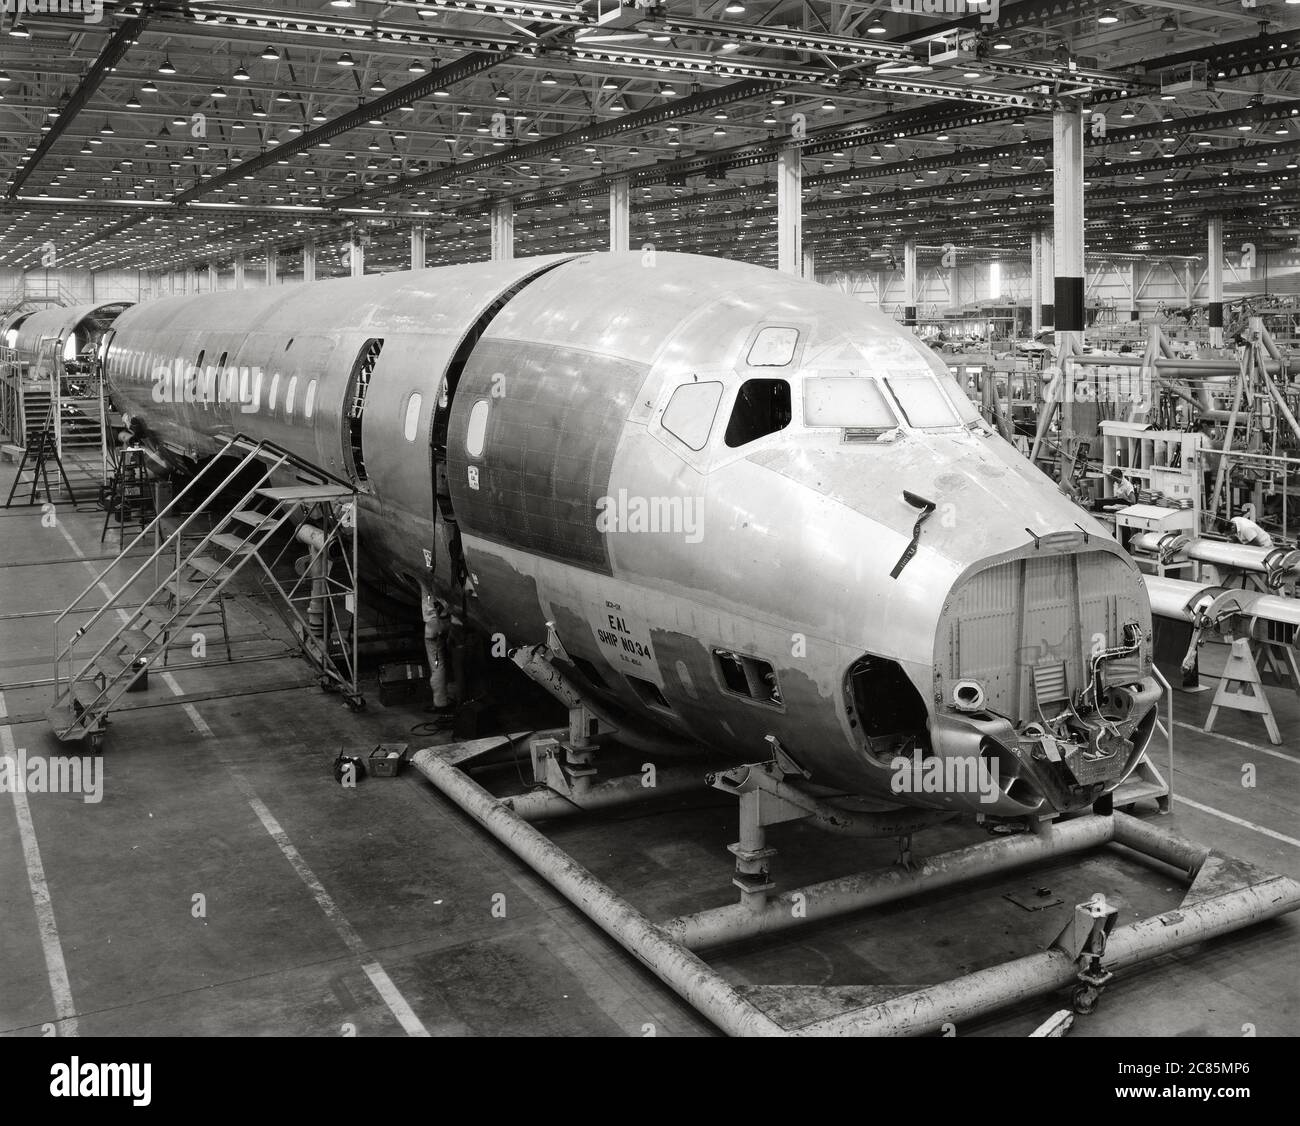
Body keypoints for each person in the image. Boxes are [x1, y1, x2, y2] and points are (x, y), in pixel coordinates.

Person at [421, 591, 461, 714]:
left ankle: (440, 703)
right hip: (449, 623)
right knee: (453, 662)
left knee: (437, 666)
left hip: (434, 627)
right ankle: (454, 696)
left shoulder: (425, 580)